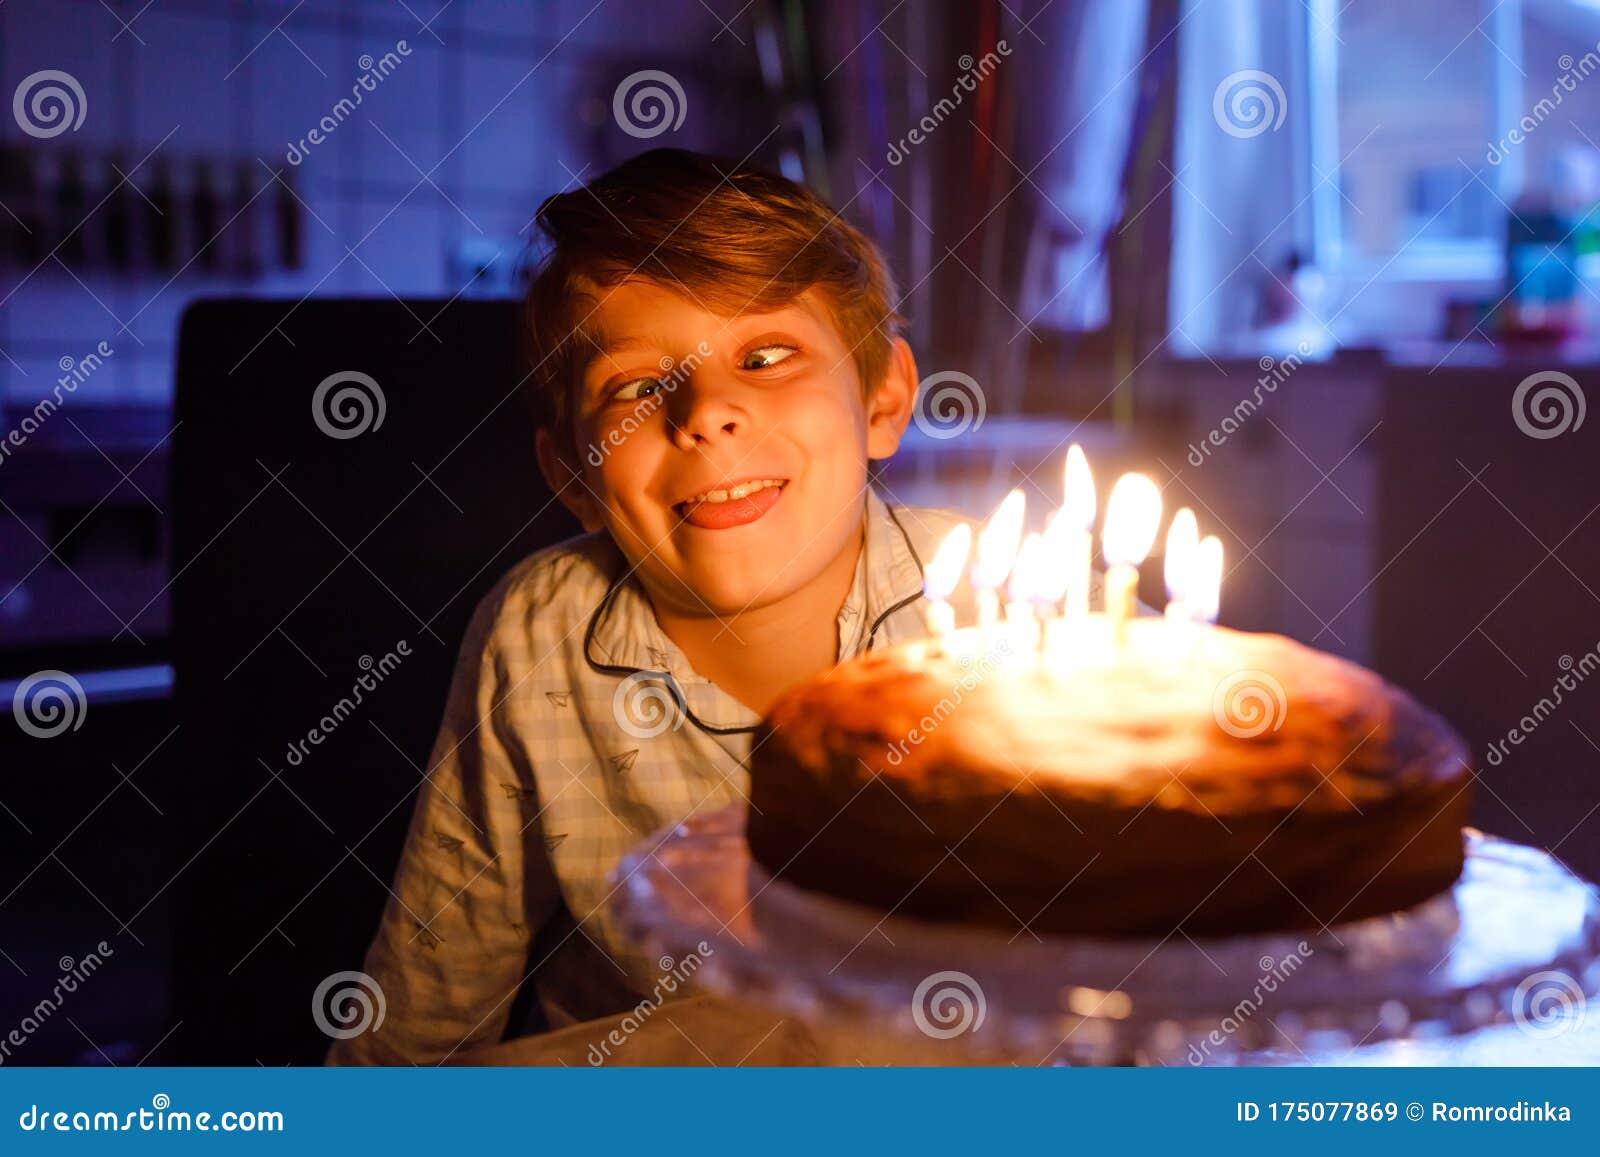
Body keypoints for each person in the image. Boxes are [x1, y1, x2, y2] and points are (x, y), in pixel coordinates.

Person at [328, 148, 976, 1064]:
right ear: (574, 478)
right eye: (638, 386)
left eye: (766, 354)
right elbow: (429, 991)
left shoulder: (1009, 620)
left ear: (883, 397)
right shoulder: (540, 633)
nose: (707, 411)